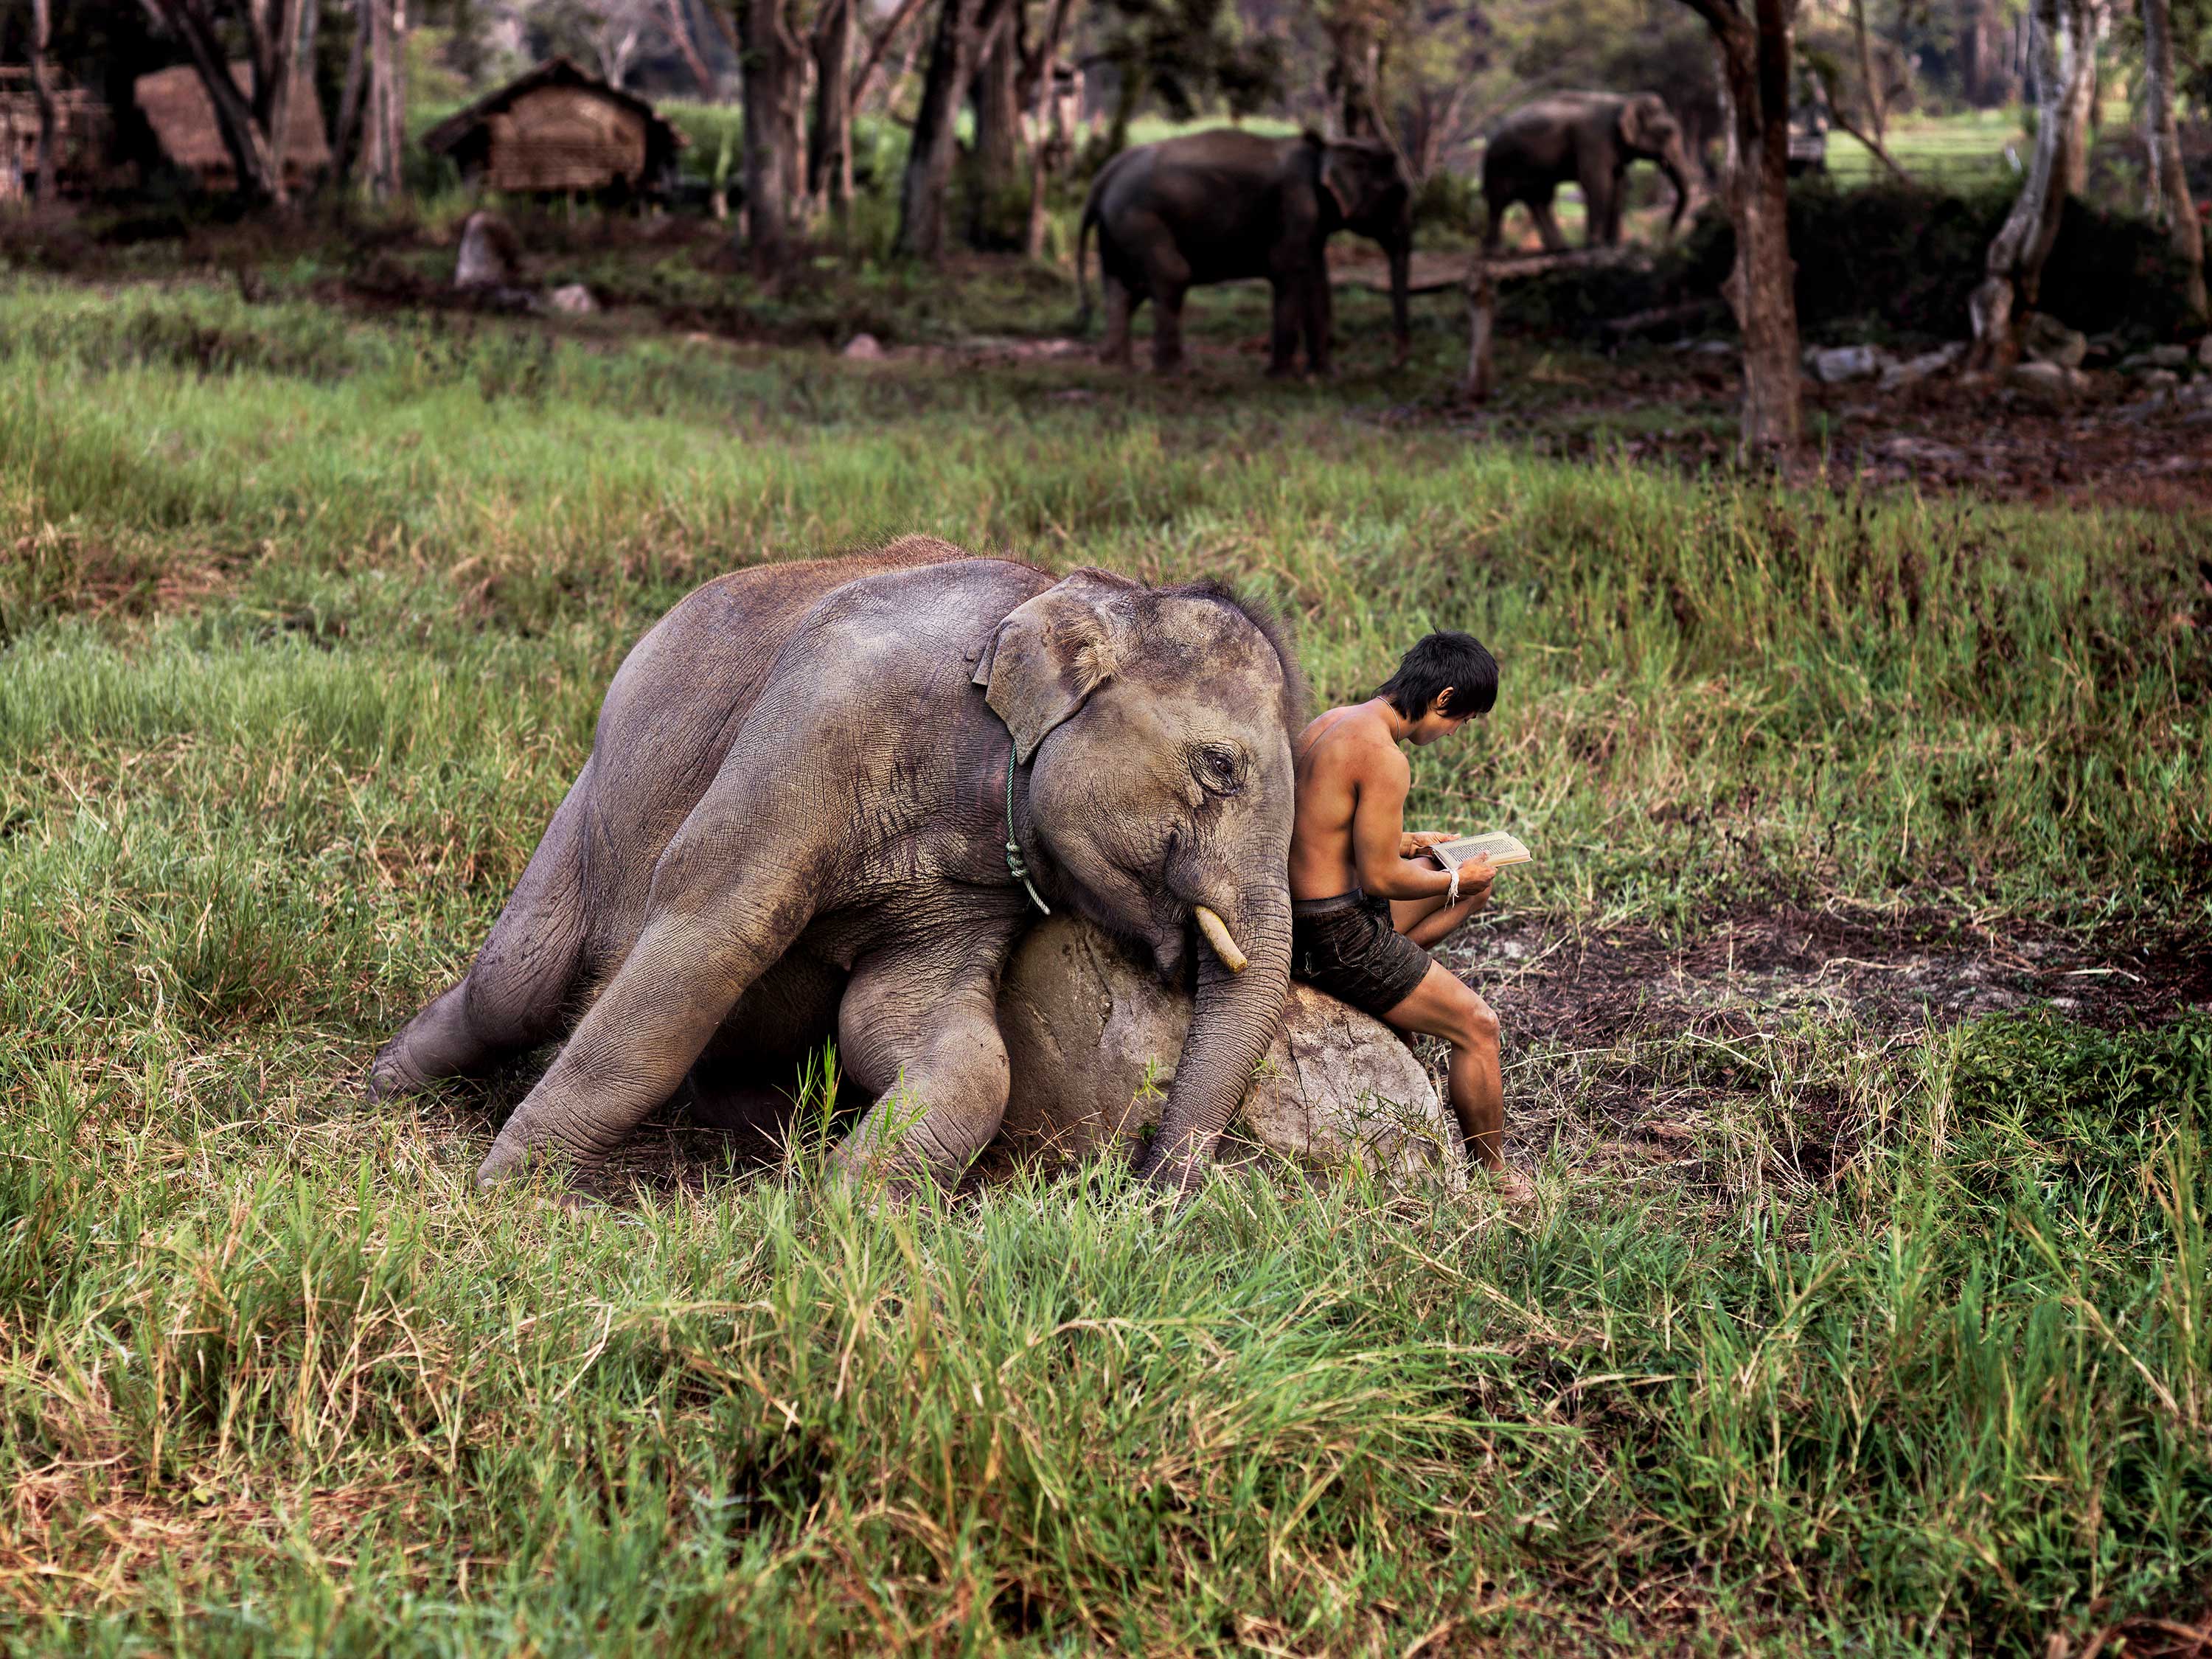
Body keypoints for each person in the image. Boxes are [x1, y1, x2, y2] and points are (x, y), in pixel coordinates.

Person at [1287, 631, 1529, 1200]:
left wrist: (1413, 844)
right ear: (1442, 699)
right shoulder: (1386, 759)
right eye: (1460, 721)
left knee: (1475, 889)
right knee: (1478, 1028)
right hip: (1337, 933)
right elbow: (1380, 881)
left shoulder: (1332, 723)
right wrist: (1451, 874)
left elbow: (1322, 834)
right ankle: (1497, 1181)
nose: (1454, 734)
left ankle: (1400, 987)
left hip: (1302, 913)